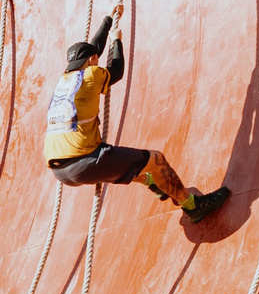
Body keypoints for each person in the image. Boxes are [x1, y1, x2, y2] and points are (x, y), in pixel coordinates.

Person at [44, 14, 230, 223]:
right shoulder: (91, 76)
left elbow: (93, 50)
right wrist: (117, 40)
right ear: (92, 61)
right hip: (85, 162)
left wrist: (108, 22)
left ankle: (151, 181)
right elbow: (117, 70)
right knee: (156, 159)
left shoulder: (64, 81)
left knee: (128, 165)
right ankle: (193, 206)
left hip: (60, 171)